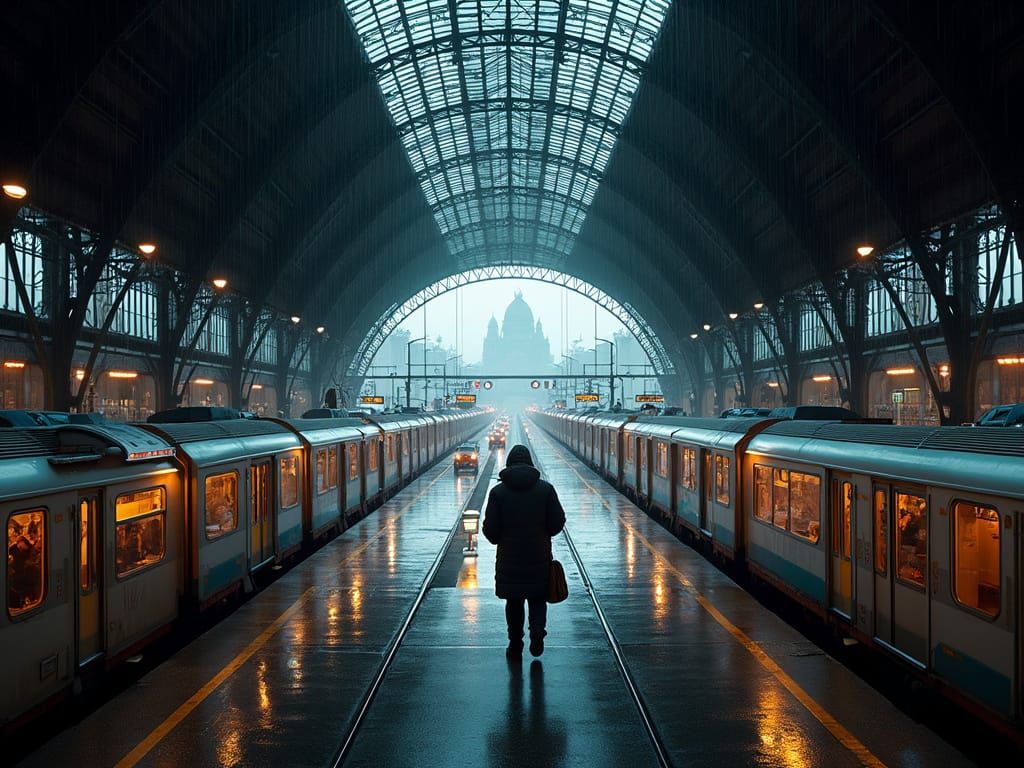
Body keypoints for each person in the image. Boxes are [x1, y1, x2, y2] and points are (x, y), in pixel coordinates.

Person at [482, 444, 566, 660]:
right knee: (538, 598)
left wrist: (501, 537)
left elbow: (491, 532)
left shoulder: (498, 493)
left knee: (514, 601)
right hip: (539, 556)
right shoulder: (545, 490)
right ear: (530, 463)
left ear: (509, 464)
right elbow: (557, 523)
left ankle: (515, 643)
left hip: (509, 560)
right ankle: (537, 631)